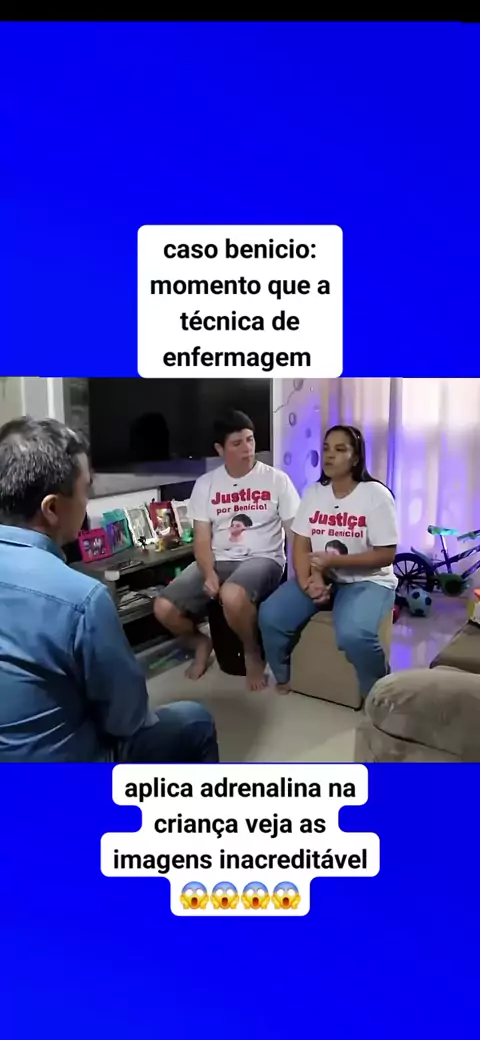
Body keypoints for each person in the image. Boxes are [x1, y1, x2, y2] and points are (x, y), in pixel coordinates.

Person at [0, 416, 218, 763]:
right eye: (86, 489)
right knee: (195, 721)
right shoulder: (81, 598)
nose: (87, 501)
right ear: (52, 509)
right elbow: (127, 719)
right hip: (61, 774)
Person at [154, 409, 300, 691]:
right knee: (163, 607)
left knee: (231, 595)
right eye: (237, 443)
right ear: (220, 449)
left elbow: (295, 533)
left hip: (264, 559)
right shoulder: (206, 484)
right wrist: (208, 573)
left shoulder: (277, 480)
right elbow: (201, 539)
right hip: (219, 559)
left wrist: (304, 574)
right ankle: (200, 643)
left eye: (250, 440)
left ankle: (252, 652)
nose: (247, 448)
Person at [259, 424, 398, 699]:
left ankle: (379, 691)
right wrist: (308, 581)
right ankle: (284, 675)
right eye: (326, 449)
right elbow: (300, 543)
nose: (330, 455)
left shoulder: (376, 495)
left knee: (353, 635)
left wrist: (334, 563)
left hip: (369, 580)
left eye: (340, 449)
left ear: (355, 458)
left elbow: (386, 555)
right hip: (323, 575)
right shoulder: (314, 493)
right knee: (270, 615)